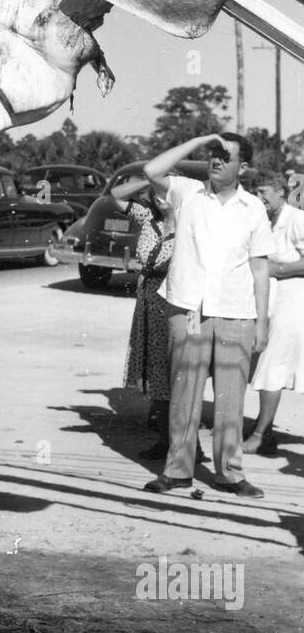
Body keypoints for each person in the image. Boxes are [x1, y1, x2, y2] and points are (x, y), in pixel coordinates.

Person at [141, 132, 274, 497]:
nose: (215, 161)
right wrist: (201, 138)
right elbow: (152, 169)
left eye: (225, 156)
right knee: (184, 395)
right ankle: (178, 470)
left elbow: (260, 267)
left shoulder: (254, 208)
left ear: (242, 167)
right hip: (188, 309)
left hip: (236, 313)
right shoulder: (187, 193)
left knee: (231, 401)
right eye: (212, 154)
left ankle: (230, 473)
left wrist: (262, 321)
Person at [243, 170, 304, 453]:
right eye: (256, 192)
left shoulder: (297, 219)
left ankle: (261, 434)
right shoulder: (265, 221)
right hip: (271, 301)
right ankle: (261, 429)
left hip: (293, 302)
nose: (258, 197)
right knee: (267, 363)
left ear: (281, 191)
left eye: (263, 192)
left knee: (273, 363)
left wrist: (276, 270)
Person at [113, 176, 174, 456]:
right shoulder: (147, 215)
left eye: (167, 192)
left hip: (175, 299)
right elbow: (116, 195)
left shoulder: (191, 221)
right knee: (157, 371)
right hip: (149, 298)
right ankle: (166, 439)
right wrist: (148, 177)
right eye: (157, 192)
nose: (161, 197)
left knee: (178, 372)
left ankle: (183, 443)